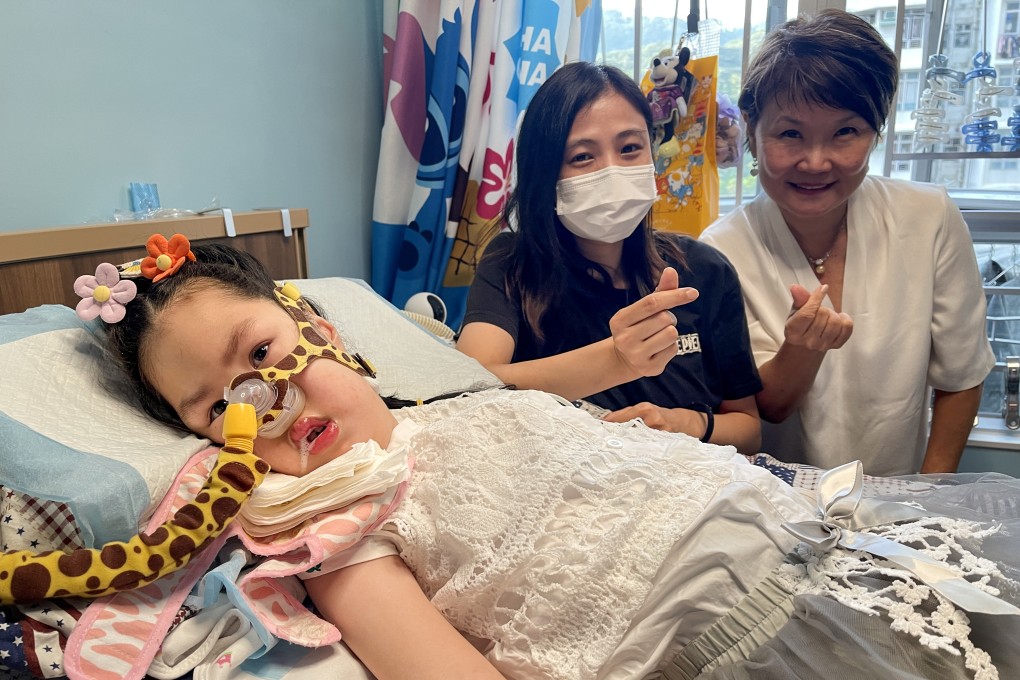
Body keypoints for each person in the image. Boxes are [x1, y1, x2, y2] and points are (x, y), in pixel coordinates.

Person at [94, 239, 1020, 680]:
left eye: (261, 353)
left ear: (321, 330)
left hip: (838, 541)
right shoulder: (340, 532)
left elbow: (532, 391)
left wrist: (620, 373)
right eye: (219, 407)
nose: (267, 401)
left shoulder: (454, 405)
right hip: (749, 635)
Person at [700, 10, 995, 476]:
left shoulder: (928, 217)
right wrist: (803, 348)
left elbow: (961, 376)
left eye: (845, 132)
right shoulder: (720, 251)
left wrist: (929, 496)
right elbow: (766, 408)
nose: (816, 162)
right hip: (771, 501)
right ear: (753, 132)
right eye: (790, 133)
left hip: (899, 497)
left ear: (876, 131)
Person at [457, 61, 763, 454]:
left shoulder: (705, 270)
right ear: (544, 174)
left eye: (630, 148)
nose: (612, 172)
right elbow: (470, 386)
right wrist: (616, 359)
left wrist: (683, 423)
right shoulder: (513, 264)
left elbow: (748, 430)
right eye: (582, 157)